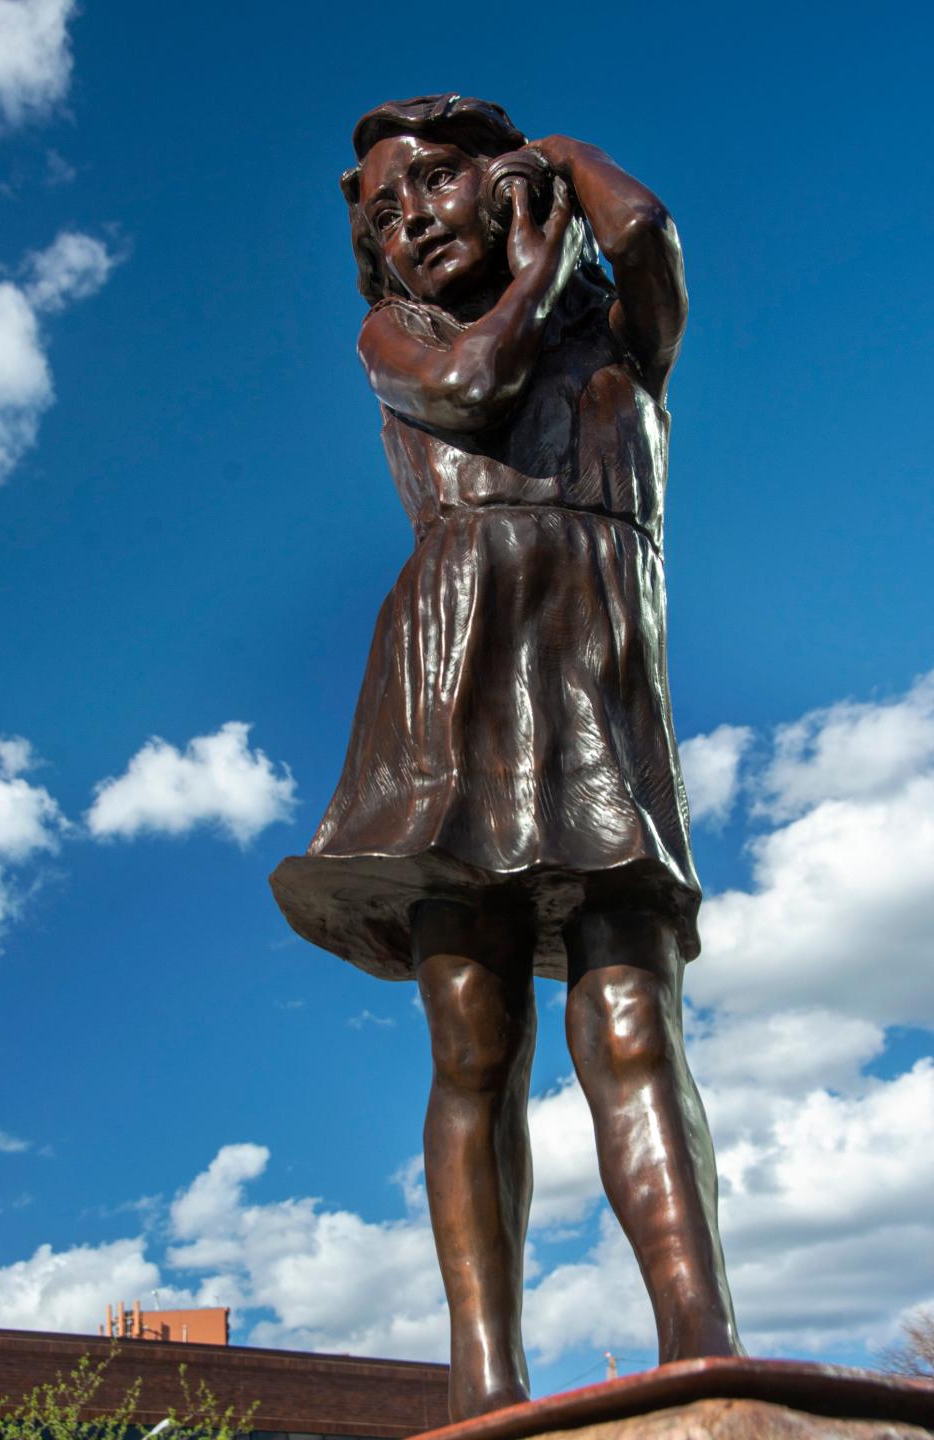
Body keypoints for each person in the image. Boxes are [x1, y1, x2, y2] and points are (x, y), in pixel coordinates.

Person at [271, 93, 743, 1421]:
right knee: (473, 1036)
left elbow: (645, 231)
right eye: (378, 213)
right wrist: (536, 262)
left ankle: (701, 1339)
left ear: (502, 186)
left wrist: (572, 159)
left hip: (596, 680)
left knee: (632, 1012)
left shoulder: (621, 345)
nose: (405, 221)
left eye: (428, 186)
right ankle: (486, 1378)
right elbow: (472, 391)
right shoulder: (400, 333)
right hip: (449, 689)